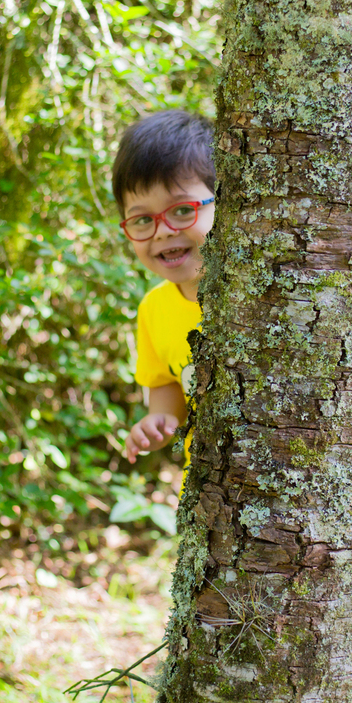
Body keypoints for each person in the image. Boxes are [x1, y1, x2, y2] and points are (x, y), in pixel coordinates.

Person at [111, 110, 216, 465]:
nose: (163, 231)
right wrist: (161, 420)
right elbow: (166, 385)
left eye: (183, 210)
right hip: (211, 493)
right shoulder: (154, 309)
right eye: (142, 219)